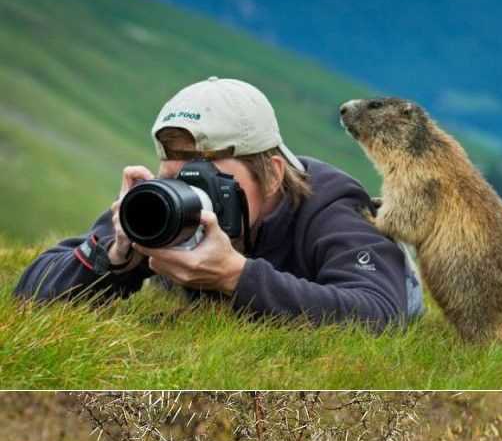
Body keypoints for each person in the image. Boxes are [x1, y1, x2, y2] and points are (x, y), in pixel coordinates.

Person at [14, 75, 422, 325]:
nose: (194, 188)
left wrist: (236, 277)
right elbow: (30, 293)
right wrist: (114, 256)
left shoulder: (330, 206)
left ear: (274, 173)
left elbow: (379, 311)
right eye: (175, 164)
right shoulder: (162, 204)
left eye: (209, 168)